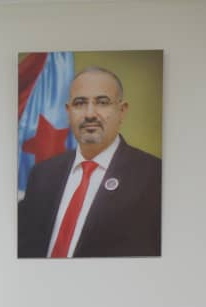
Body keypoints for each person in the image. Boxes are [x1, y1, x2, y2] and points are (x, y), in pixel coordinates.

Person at [18, 66, 161, 258]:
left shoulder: (154, 176)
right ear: (68, 112)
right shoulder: (42, 174)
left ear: (122, 111)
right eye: (80, 103)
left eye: (102, 102)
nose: (90, 114)